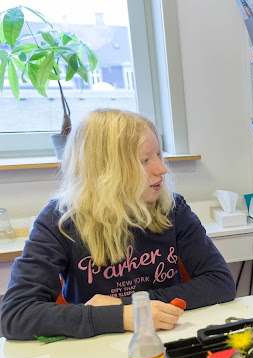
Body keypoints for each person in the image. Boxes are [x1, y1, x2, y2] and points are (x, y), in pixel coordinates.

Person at [1, 109, 236, 340]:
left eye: (158, 155)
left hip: (167, 338)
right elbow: (16, 315)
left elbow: (220, 283)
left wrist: (129, 306)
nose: (161, 169)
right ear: (106, 171)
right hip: (97, 349)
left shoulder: (172, 209)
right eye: (144, 160)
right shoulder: (59, 221)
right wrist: (121, 316)